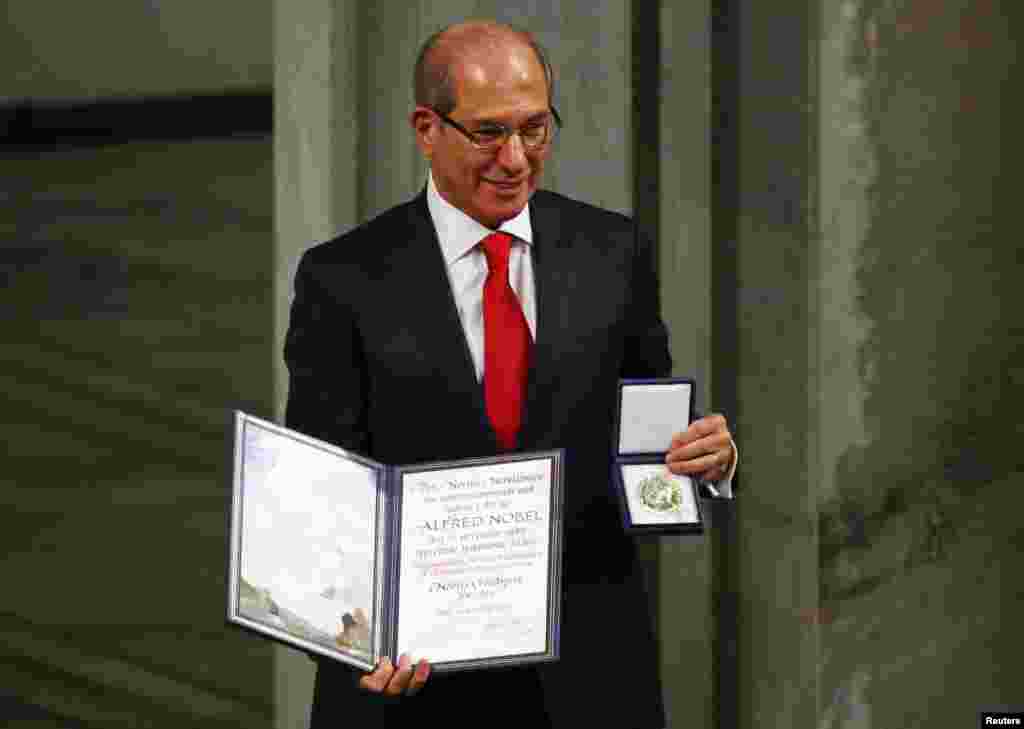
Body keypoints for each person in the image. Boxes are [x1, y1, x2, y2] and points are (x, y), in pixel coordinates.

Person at [284, 19, 736, 728]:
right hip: (415, 686)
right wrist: (353, 640)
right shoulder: (342, 280)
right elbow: (319, 490)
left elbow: (652, 438)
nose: (517, 159)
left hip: (588, 680)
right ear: (426, 128)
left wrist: (707, 459)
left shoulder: (612, 253)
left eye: (535, 129)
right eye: (490, 133)